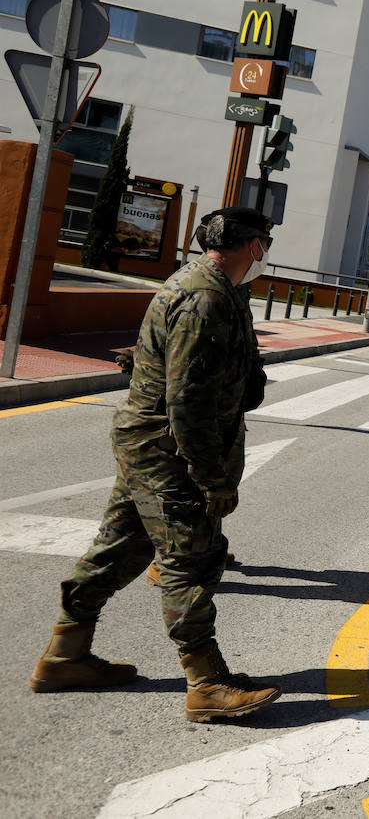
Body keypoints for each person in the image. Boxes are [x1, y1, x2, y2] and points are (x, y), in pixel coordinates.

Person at [30, 208, 280, 723]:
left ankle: (64, 657)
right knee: (194, 556)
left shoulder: (222, 288)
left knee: (120, 547)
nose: (266, 253)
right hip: (167, 450)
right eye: (266, 243)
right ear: (253, 245)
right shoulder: (205, 298)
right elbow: (186, 403)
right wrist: (211, 479)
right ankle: (205, 682)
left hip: (151, 445)